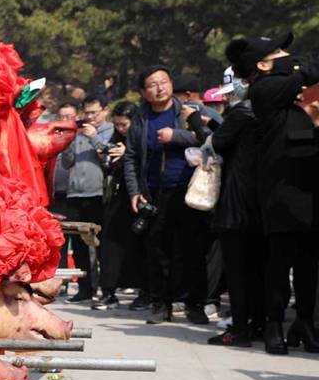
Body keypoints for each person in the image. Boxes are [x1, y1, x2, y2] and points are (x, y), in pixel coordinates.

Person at [226, 32, 319, 354]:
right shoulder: (265, 89)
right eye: (279, 51)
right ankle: (274, 324)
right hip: (280, 189)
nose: (287, 55)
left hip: (308, 185)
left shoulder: (294, 90)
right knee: (279, 263)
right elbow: (309, 70)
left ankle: (304, 322)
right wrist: (300, 70)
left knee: (309, 263)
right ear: (263, 64)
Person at [122, 66, 208, 325]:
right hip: (154, 193)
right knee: (158, 251)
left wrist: (176, 136)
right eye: (152, 84)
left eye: (164, 82)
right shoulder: (141, 118)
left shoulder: (188, 111)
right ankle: (160, 304)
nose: (160, 87)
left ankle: (196, 304)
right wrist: (135, 191)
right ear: (143, 92)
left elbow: (208, 139)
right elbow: (130, 157)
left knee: (193, 251)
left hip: (188, 190)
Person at [206, 67, 263, 347]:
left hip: (237, 200)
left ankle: (239, 328)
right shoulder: (272, 112)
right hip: (261, 200)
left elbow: (217, 143)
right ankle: (259, 324)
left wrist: (198, 121)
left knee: (238, 269)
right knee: (257, 268)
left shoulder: (242, 112)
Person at [57, 96, 113, 302]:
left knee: (100, 245)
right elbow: (66, 162)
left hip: (98, 194)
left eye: (94, 112)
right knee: (79, 245)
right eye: (87, 113)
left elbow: (109, 159)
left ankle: (106, 290)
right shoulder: (79, 132)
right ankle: (84, 289)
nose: (90, 117)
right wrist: (70, 138)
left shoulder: (109, 131)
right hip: (75, 194)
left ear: (104, 110)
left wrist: (94, 137)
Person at [96, 101, 143, 309]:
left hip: (139, 197)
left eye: (125, 125)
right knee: (111, 244)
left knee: (140, 247)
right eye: (118, 125)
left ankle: (145, 291)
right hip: (116, 197)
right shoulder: (115, 140)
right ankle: (108, 291)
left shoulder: (142, 139)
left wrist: (128, 155)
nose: (121, 129)